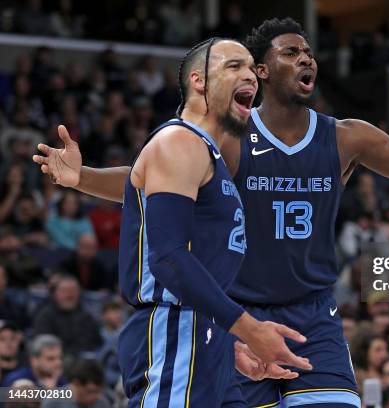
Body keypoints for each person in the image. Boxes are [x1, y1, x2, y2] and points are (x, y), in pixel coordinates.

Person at [33, 18, 389, 408]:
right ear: (260, 70)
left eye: (309, 52)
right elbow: (153, 189)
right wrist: (79, 178)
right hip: (237, 317)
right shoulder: (227, 139)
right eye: (291, 52)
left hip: (311, 316)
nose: (307, 59)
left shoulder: (345, 138)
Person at [36, 38, 312, 407]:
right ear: (198, 81)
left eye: (251, 68)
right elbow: (167, 258)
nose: (250, 75)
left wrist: (227, 342)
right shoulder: (179, 142)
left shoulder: (205, 157)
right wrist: (249, 328)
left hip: (205, 333)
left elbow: (139, 183)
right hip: (174, 328)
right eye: (234, 66)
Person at [2, 334, 67, 389]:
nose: (58, 363)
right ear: (34, 360)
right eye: (50, 359)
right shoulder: (16, 380)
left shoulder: (61, 380)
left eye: (60, 358)